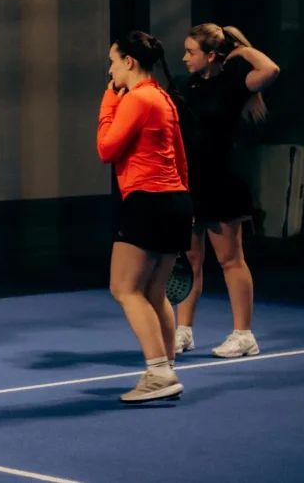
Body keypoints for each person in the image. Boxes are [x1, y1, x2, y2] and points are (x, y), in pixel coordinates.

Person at [173, 23, 280, 358]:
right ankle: (183, 331)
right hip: (189, 185)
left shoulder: (235, 84)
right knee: (190, 261)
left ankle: (243, 335)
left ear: (211, 55)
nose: (185, 57)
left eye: (191, 52)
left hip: (221, 184)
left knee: (231, 260)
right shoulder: (183, 86)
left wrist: (240, 50)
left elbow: (271, 70)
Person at [98, 31, 192, 403]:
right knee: (154, 291)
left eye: (112, 61)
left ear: (129, 62)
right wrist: (188, 209)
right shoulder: (164, 98)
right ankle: (166, 368)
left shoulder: (137, 99)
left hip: (147, 202)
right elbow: (181, 158)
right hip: (175, 202)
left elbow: (106, 149)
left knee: (124, 289)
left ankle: (158, 372)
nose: (110, 70)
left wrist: (108, 101)